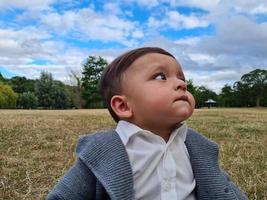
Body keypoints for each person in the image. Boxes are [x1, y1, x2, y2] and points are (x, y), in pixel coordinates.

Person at [47, 47, 248, 200]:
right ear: (123, 106)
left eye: (181, 77)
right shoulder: (102, 151)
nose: (182, 84)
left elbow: (224, 187)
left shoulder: (197, 146)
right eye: (161, 76)